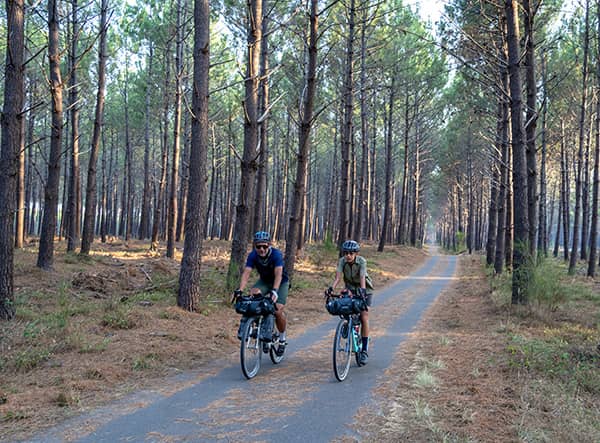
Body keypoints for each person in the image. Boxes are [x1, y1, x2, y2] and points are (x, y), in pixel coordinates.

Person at [234, 231, 289, 355]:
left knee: (277, 310)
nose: (262, 249)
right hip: (264, 281)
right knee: (253, 295)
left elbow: (278, 274)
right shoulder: (253, 255)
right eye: (258, 246)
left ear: (269, 245)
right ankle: (259, 327)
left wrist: (274, 291)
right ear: (255, 246)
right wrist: (240, 290)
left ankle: (282, 338)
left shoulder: (276, 255)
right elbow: (246, 273)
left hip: (280, 282)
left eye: (264, 246)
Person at [328, 240, 373, 365]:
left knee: (364, 316)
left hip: (365, 289)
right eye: (346, 253)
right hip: (350, 288)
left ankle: (364, 350)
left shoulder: (362, 261)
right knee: (346, 307)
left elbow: (362, 277)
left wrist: (363, 292)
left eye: (351, 253)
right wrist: (331, 288)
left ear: (356, 254)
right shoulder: (342, 261)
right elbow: (338, 277)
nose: (348, 255)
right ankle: (347, 324)